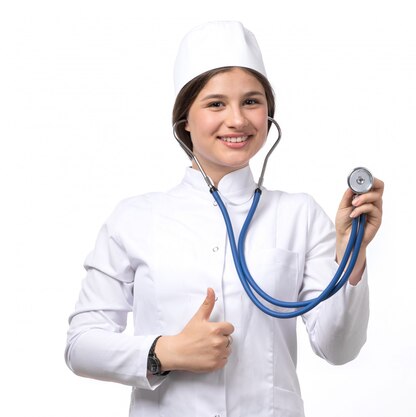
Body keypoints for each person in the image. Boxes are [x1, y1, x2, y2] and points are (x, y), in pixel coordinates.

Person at [65, 21, 384, 417]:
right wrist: (164, 351)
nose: (237, 120)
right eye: (216, 104)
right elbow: (81, 345)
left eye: (252, 102)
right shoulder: (135, 219)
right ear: (185, 119)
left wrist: (351, 251)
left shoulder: (299, 215)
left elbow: (340, 348)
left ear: (269, 114)